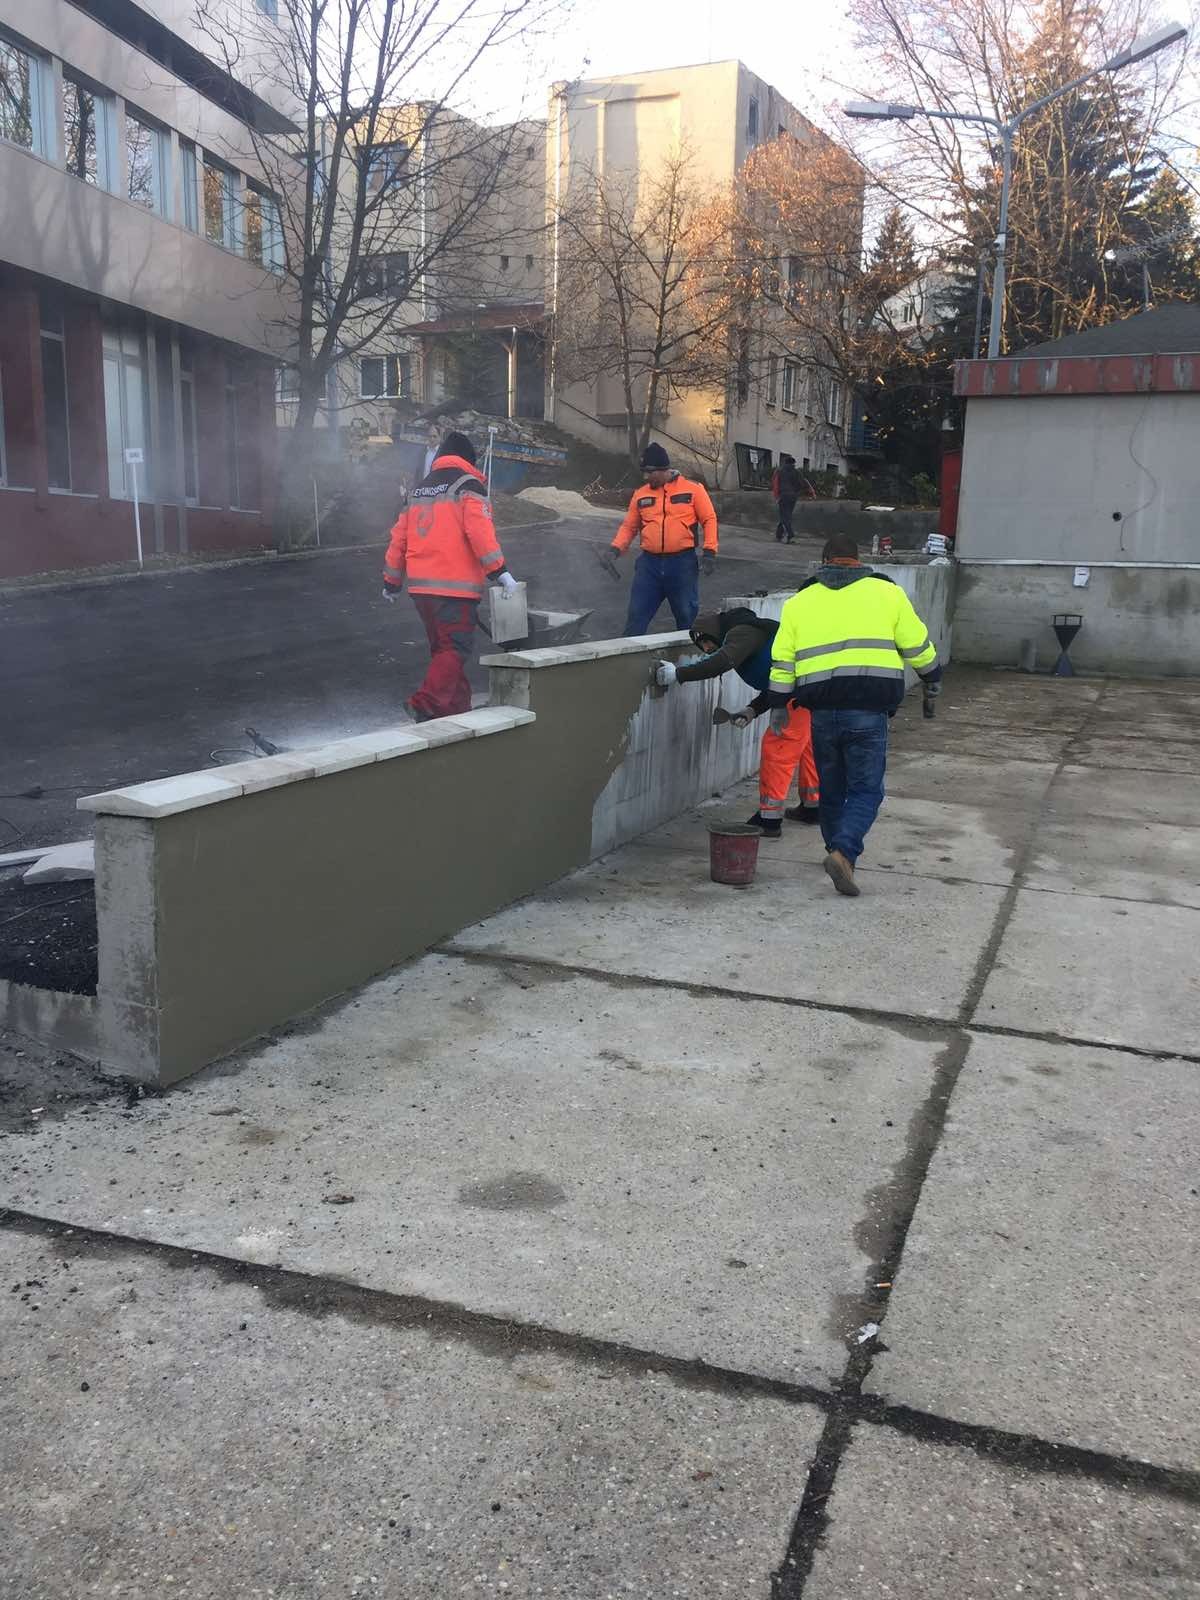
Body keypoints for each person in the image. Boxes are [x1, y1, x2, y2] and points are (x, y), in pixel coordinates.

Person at [766, 532, 941, 897]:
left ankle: (836, 852)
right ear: (858, 560)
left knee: (832, 790)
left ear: (824, 560)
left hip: (822, 713)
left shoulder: (800, 601)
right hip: (867, 710)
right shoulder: (887, 592)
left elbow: (783, 662)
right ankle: (844, 852)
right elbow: (916, 645)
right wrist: (932, 677)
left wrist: (778, 705)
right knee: (866, 789)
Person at [381, 430, 519, 721]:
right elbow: (479, 533)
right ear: (468, 460)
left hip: (421, 591)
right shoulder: (468, 486)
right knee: (454, 648)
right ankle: (426, 702)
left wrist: (391, 583)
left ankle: (457, 710)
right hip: (455, 590)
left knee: (444, 650)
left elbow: (399, 539)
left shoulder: (419, 489)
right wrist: (501, 573)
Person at [655, 609, 819, 837]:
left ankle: (768, 820)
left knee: (777, 750)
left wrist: (679, 674)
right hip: (807, 691)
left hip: (798, 695)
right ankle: (814, 807)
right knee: (808, 748)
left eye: (705, 642)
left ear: (714, 632)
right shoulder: (749, 632)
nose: (706, 649)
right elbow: (774, 683)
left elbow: (721, 662)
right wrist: (752, 710)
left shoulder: (742, 632)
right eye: (701, 647)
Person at [603, 444, 718, 635]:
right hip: (649, 565)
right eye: (644, 473)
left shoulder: (694, 490)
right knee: (636, 616)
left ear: (664, 469)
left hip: (682, 564)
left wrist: (710, 552)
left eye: (650, 472)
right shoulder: (641, 494)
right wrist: (615, 549)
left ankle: (688, 660)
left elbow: (709, 519)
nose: (646, 477)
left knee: (686, 616)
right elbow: (629, 526)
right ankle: (628, 660)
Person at [771, 453, 801, 544]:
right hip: (793, 497)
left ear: (784, 462)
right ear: (793, 463)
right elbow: (800, 484)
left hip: (783, 496)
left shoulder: (779, 471)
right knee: (786, 516)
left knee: (784, 516)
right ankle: (779, 535)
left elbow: (775, 484)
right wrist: (795, 493)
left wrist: (776, 497)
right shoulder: (797, 472)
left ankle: (790, 535)